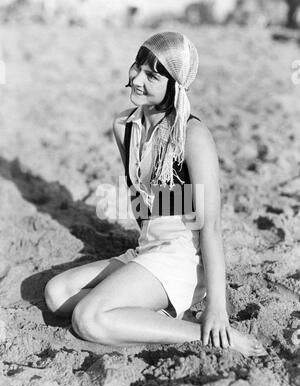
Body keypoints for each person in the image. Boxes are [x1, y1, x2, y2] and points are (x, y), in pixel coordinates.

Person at [44, 31, 266, 357]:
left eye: (152, 75)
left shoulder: (193, 136)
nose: (137, 79)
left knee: (88, 318)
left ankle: (209, 336)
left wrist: (216, 308)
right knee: (56, 293)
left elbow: (211, 226)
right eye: (137, 66)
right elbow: (141, 202)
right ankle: (148, 316)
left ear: (174, 85)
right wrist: (148, 244)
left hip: (183, 259)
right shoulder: (126, 126)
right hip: (149, 249)